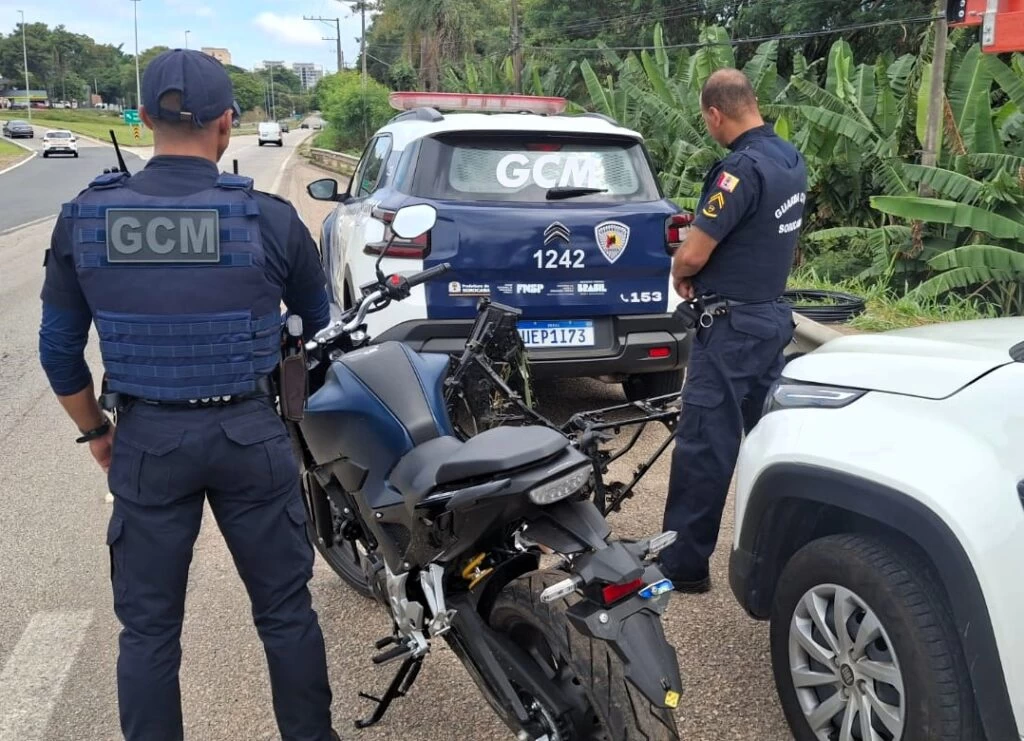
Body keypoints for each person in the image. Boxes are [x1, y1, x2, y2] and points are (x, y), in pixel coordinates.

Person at [37, 49, 341, 741]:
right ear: (227, 124)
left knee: (147, 631)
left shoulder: (86, 218)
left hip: (147, 441)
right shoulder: (268, 218)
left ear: (142, 119)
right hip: (251, 438)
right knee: (286, 614)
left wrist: (98, 433)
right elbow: (318, 330)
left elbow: (58, 352)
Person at [658, 68, 806, 593]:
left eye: (707, 120)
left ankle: (682, 566)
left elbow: (695, 251)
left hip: (730, 329)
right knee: (773, 436)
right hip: (769, 320)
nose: (709, 128)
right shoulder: (790, 158)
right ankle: (795, 550)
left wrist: (680, 271)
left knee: (705, 445)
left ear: (716, 113)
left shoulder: (738, 171)